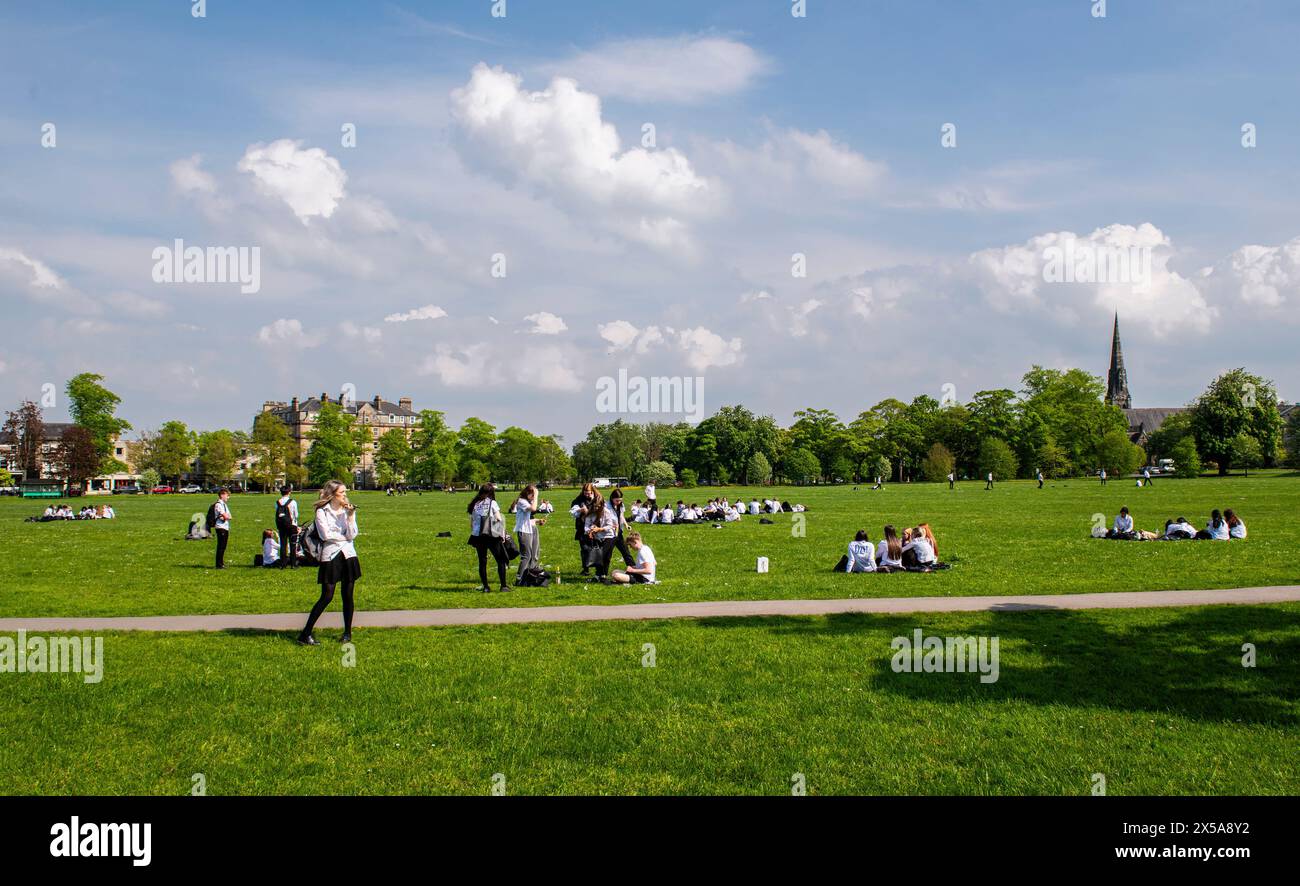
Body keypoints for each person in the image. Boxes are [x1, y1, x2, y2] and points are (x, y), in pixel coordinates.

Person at [298, 480, 361, 646]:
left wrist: (351, 516)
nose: (345, 496)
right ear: (332, 495)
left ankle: (347, 632)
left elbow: (353, 534)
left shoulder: (347, 510)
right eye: (342, 493)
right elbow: (325, 535)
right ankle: (306, 633)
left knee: (348, 595)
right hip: (331, 555)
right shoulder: (322, 511)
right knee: (327, 595)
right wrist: (343, 536)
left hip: (348, 554)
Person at [470, 483, 511, 592]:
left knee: (482, 562)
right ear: (491, 492)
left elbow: (472, 522)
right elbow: (498, 519)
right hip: (491, 535)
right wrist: (502, 534)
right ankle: (503, 586)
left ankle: (486, 587)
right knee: (500, 560)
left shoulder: (475, 504)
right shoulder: (492, 503)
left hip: (478, 536)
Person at [583, 489, 618, 581]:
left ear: (602, 505)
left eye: (599, 506)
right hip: (598, 537)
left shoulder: (606, 512)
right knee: (599, 555)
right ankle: (600, 575)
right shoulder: (590, 513)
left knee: (604, 556)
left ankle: (601, 575)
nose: (597, 508)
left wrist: (599, 529)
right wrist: (589, 531)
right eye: (595, 506)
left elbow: (610, 525)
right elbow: (586, 525)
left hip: (609, 536)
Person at [513, 485, 544, 582]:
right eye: (532, 495)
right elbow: (533, 509)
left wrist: (538, 521)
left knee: (535, 554)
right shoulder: (521, 501)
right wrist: (537, 495)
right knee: (527, 556)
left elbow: (529, 518)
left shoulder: (527, 501)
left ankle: (530, 576)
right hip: (524, 530)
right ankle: (519, 578)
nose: (534, 497)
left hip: (532, 528)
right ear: (527, 493)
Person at [571, 483, 596, 575]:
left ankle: (598, 568)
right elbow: (573, 512)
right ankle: (586, 569)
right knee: (584, 548)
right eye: (585, 493)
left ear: (592, 492)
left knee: (595, 548)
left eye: (589, 493)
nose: (587, 495)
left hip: (595, 528)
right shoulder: (579, 500)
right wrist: (580, 510)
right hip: (582, 528)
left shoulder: (597, 499)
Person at [607, 489, 634, 568]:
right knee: (608, 554)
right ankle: (602, 574)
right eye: (617, 500)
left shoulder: (621, 505)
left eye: (620, 500)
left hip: (619, 533)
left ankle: (633, 569)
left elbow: (621, 516)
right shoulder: (607, 506)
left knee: (626, 552)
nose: (619, 502)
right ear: (612, 498)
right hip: (610, 534)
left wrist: (626, 525)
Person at [275, 485, 300, 569]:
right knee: (293, 544)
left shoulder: (277, 502)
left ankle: (283, 563)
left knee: (283, 544)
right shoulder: (293, 502)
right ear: (289, 492)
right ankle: (293, 563)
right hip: (292, 525)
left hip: (281, 525)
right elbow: (296, 514)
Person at [213, 488, 232, 569]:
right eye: (227, 495)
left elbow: (229, 516)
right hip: (221, 527)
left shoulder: (224, 505)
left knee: (223, 546)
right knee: (221, 546)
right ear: (222, 495)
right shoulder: (218, 505)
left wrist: (226, 516)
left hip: (225, 527)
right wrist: (225, 516)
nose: (228, 497)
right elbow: (225, 516)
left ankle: (221, 563)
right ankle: (219, 564)